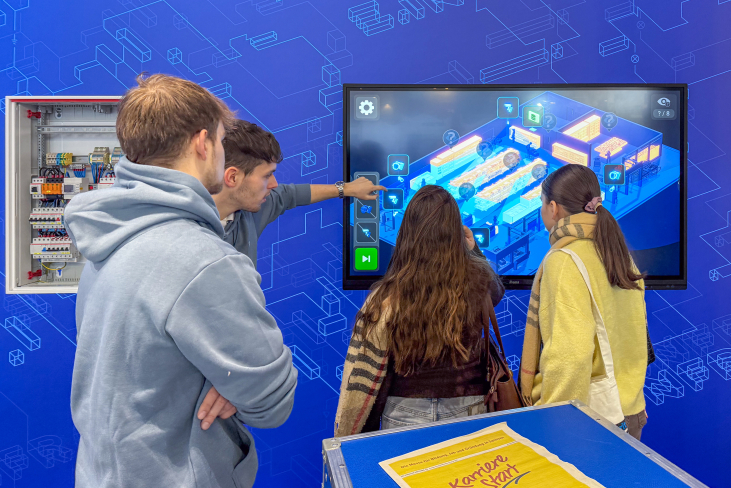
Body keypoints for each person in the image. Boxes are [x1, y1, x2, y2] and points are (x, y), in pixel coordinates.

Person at [65, 74, 297, 488]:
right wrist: (236, 383)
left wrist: (233, 380)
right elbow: (272, 402)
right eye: (222, 141)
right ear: (203, 143)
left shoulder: (108, 237)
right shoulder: (205, 261)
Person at [334, 185, 505, 437]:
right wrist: (473, 251)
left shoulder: (386, 296)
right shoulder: (476, 283)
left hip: (403, 409)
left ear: (408, 233)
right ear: (454, 233)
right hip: (468, 406)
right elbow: (497, 292)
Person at [519, 164, 648, 440]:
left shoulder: (564, 260)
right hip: (630, 410)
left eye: (541, 203)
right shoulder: (617, 253)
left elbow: (570, 355)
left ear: (553, 208)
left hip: (590, 419)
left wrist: (557, 419)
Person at [212, 120, 384, 267]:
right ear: (233, 177)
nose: (274, 184)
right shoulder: (197, 235)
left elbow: (289, 194)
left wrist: (345, 189)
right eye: (266, 176)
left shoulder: (251, 207)